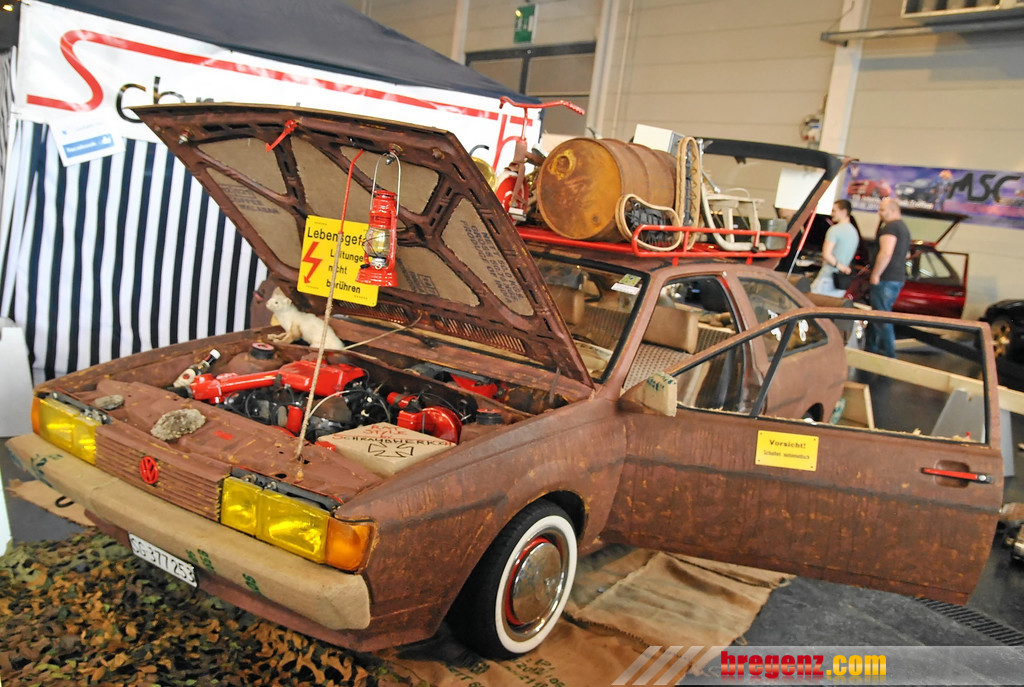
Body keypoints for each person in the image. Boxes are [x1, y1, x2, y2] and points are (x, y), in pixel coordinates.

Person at [864, 198, 911, 358]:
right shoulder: (903, 228)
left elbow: (886, 253)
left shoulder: (890, 228)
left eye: (882, 210)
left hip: (886, 278)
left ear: (892, 210)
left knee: (881, 317)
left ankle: (888, 355)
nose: (879, 213)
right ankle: (871, 351)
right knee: (878, 316)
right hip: (897, 277)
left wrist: (876, 274)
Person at [810, 199, 860, 298]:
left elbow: (826, 254)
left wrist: (838, 265)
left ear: (844, 211)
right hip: (841, 282)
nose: (831, 214)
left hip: (827, 278)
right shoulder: (854, 232)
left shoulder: (834, 230)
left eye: (834, 211)